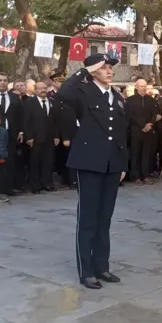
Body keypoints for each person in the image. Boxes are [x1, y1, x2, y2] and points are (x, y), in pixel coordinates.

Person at [58, 53, 128, 289]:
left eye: (110, 67)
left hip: (111, 165)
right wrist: (84, 70)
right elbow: (62, 93)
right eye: (104, 67)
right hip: (88, 163)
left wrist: (122, 164)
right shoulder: (82, 92)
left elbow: (120, 135)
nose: (109, 71)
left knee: (104, 218)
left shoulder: (117, 98)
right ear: (93, 70)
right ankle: (86, 270)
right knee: (88, 217)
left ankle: (102, 266)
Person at [0, 73, 23, 197]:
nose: (2, 82)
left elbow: (19, 115)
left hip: (10, 134)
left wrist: (21, 131)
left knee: (9, 162)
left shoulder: (13, 97)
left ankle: (6, 189)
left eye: (5, 80)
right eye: (0, 80)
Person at [23, 81, 59, 194]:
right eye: (40, 88)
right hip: (35, 138)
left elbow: (56, 121)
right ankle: (35, 185)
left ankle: (47, 183)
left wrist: (56, 136)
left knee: (48, 162)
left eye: (44, 88)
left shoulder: (52, 102)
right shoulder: (29, 103)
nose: (43, 90)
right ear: (35, 90)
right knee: (34, 163)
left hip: (49, 138)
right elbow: (26, 121)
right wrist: (28, 137)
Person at [125, 79, 158, 185]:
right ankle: (136, 176)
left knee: (146, 153)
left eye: (144, 86)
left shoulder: (151, 100)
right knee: (135, 154)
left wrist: (150, 124)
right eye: (141, 86)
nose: (143, 88)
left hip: (148, 130)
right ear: (136, 87)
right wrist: (143, 125)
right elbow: (131, 115)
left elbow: (155, 114)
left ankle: (145, 175)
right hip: (136, 131)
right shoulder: (130, 100)